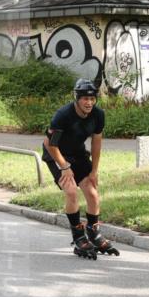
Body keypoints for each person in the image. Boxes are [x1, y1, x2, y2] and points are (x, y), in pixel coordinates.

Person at [42, 78, 120, 259]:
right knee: (71, 191)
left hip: (77, 154)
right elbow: (50, 144)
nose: (89, 102)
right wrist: (64, 166)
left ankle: (94, 233)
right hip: (56, 155)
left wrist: (94, 170)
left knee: (92, 192)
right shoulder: (63, 115)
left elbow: (96, 143)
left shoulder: (98, 115)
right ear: (77, 98)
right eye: (85, 98)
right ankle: (78, 236)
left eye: (92, 99)